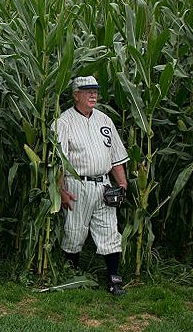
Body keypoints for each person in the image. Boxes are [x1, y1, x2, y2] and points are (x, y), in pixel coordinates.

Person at [53, 75, 129, 296]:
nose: (93, 94)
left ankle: (114, 279)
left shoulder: (104, 119)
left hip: (104, 185)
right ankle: (71, 273)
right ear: (76, 95)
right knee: (74, 233)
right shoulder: (63, 122)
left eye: (95, 90)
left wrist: (122, 183)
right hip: (77, 185)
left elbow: (115, 156)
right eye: (87, 91)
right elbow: (58, 161)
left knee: (109, 233)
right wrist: (61, 190)